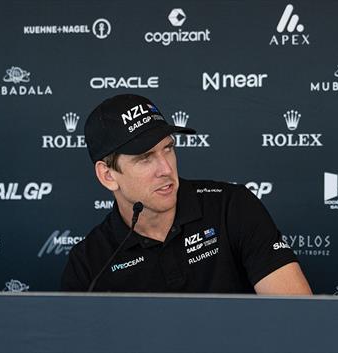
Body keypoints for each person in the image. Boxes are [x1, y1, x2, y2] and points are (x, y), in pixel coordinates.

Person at [61, 94, 312, 294]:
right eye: (145, 158)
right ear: (108, 175)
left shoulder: (232, 207)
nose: (166, 169)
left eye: (168, 148)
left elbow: (296, 316)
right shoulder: (89, 264)